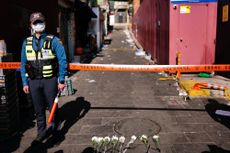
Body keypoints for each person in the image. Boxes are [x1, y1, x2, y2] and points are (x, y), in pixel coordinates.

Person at [20, 12, 67, 143]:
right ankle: (41, 133)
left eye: (40, 22)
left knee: (53, 107)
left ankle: (56, 131)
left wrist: (61, 80)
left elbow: (63, 60)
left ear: (45, 24)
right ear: (31, 25)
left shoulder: (54, 41)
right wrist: (25, 82)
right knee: (38, 109)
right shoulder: (26, 42)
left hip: (50, 81)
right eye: (35, 22)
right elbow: (23, 64)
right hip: (33, 81)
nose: (38, 24)